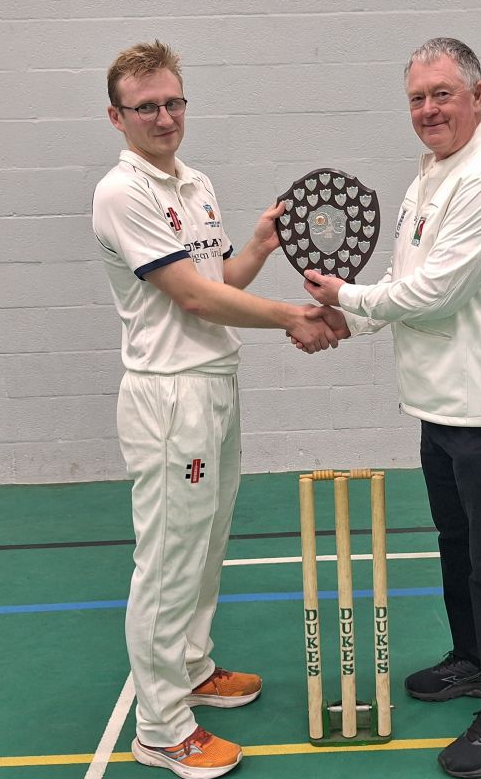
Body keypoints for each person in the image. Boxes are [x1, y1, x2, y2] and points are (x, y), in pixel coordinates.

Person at [302, 37, 481, 778]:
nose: (428, 109)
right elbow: (406, 279)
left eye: (442, 94)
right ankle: (475, 662)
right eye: (417, 97)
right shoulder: (432, 176)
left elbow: (437, 292)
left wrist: (343, 301)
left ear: (478, 95)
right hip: (442, 402)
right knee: (458, 544)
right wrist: (352, 318)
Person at [92, 40, 339, 779]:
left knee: (204, 544)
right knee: (168, 560)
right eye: (146, 107)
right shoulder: (122, 191)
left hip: (214, 382)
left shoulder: (194, 183)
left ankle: (193, 671)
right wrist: (292, 316)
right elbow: (195, 298)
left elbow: (216, 277)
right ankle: (162, 728)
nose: (164, 117)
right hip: (169, 396)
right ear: (117, 116)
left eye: (173, 102)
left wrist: (260, 246)